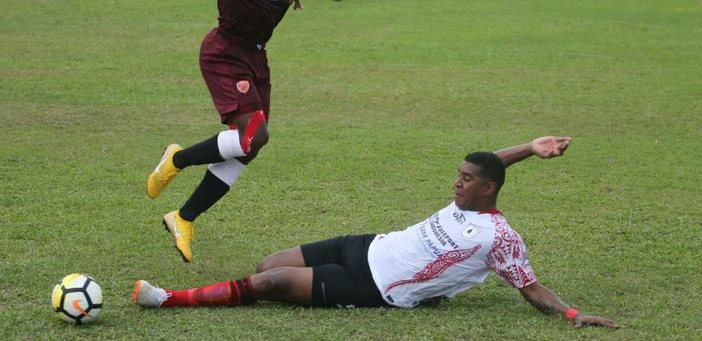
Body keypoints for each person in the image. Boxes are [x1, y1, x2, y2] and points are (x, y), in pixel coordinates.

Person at [132, 136, 619, 330]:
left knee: (270, 284)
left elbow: (530, 287)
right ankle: (224, 291)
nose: (457, 181)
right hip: (366, 245)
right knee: (267, 263)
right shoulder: (468, 196)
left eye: (466, 179)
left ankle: (170, 300)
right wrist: (531, 149)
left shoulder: (500, 238)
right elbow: (492, 163)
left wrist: (573, 313)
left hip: (377, 286)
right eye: (458, 174)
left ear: (487, 189)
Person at [96, 0, 302, 263]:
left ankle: (183, 217)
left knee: (250, 148)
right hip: (226, 52)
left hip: (256, 55)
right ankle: (177, 160)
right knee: (254, 134)